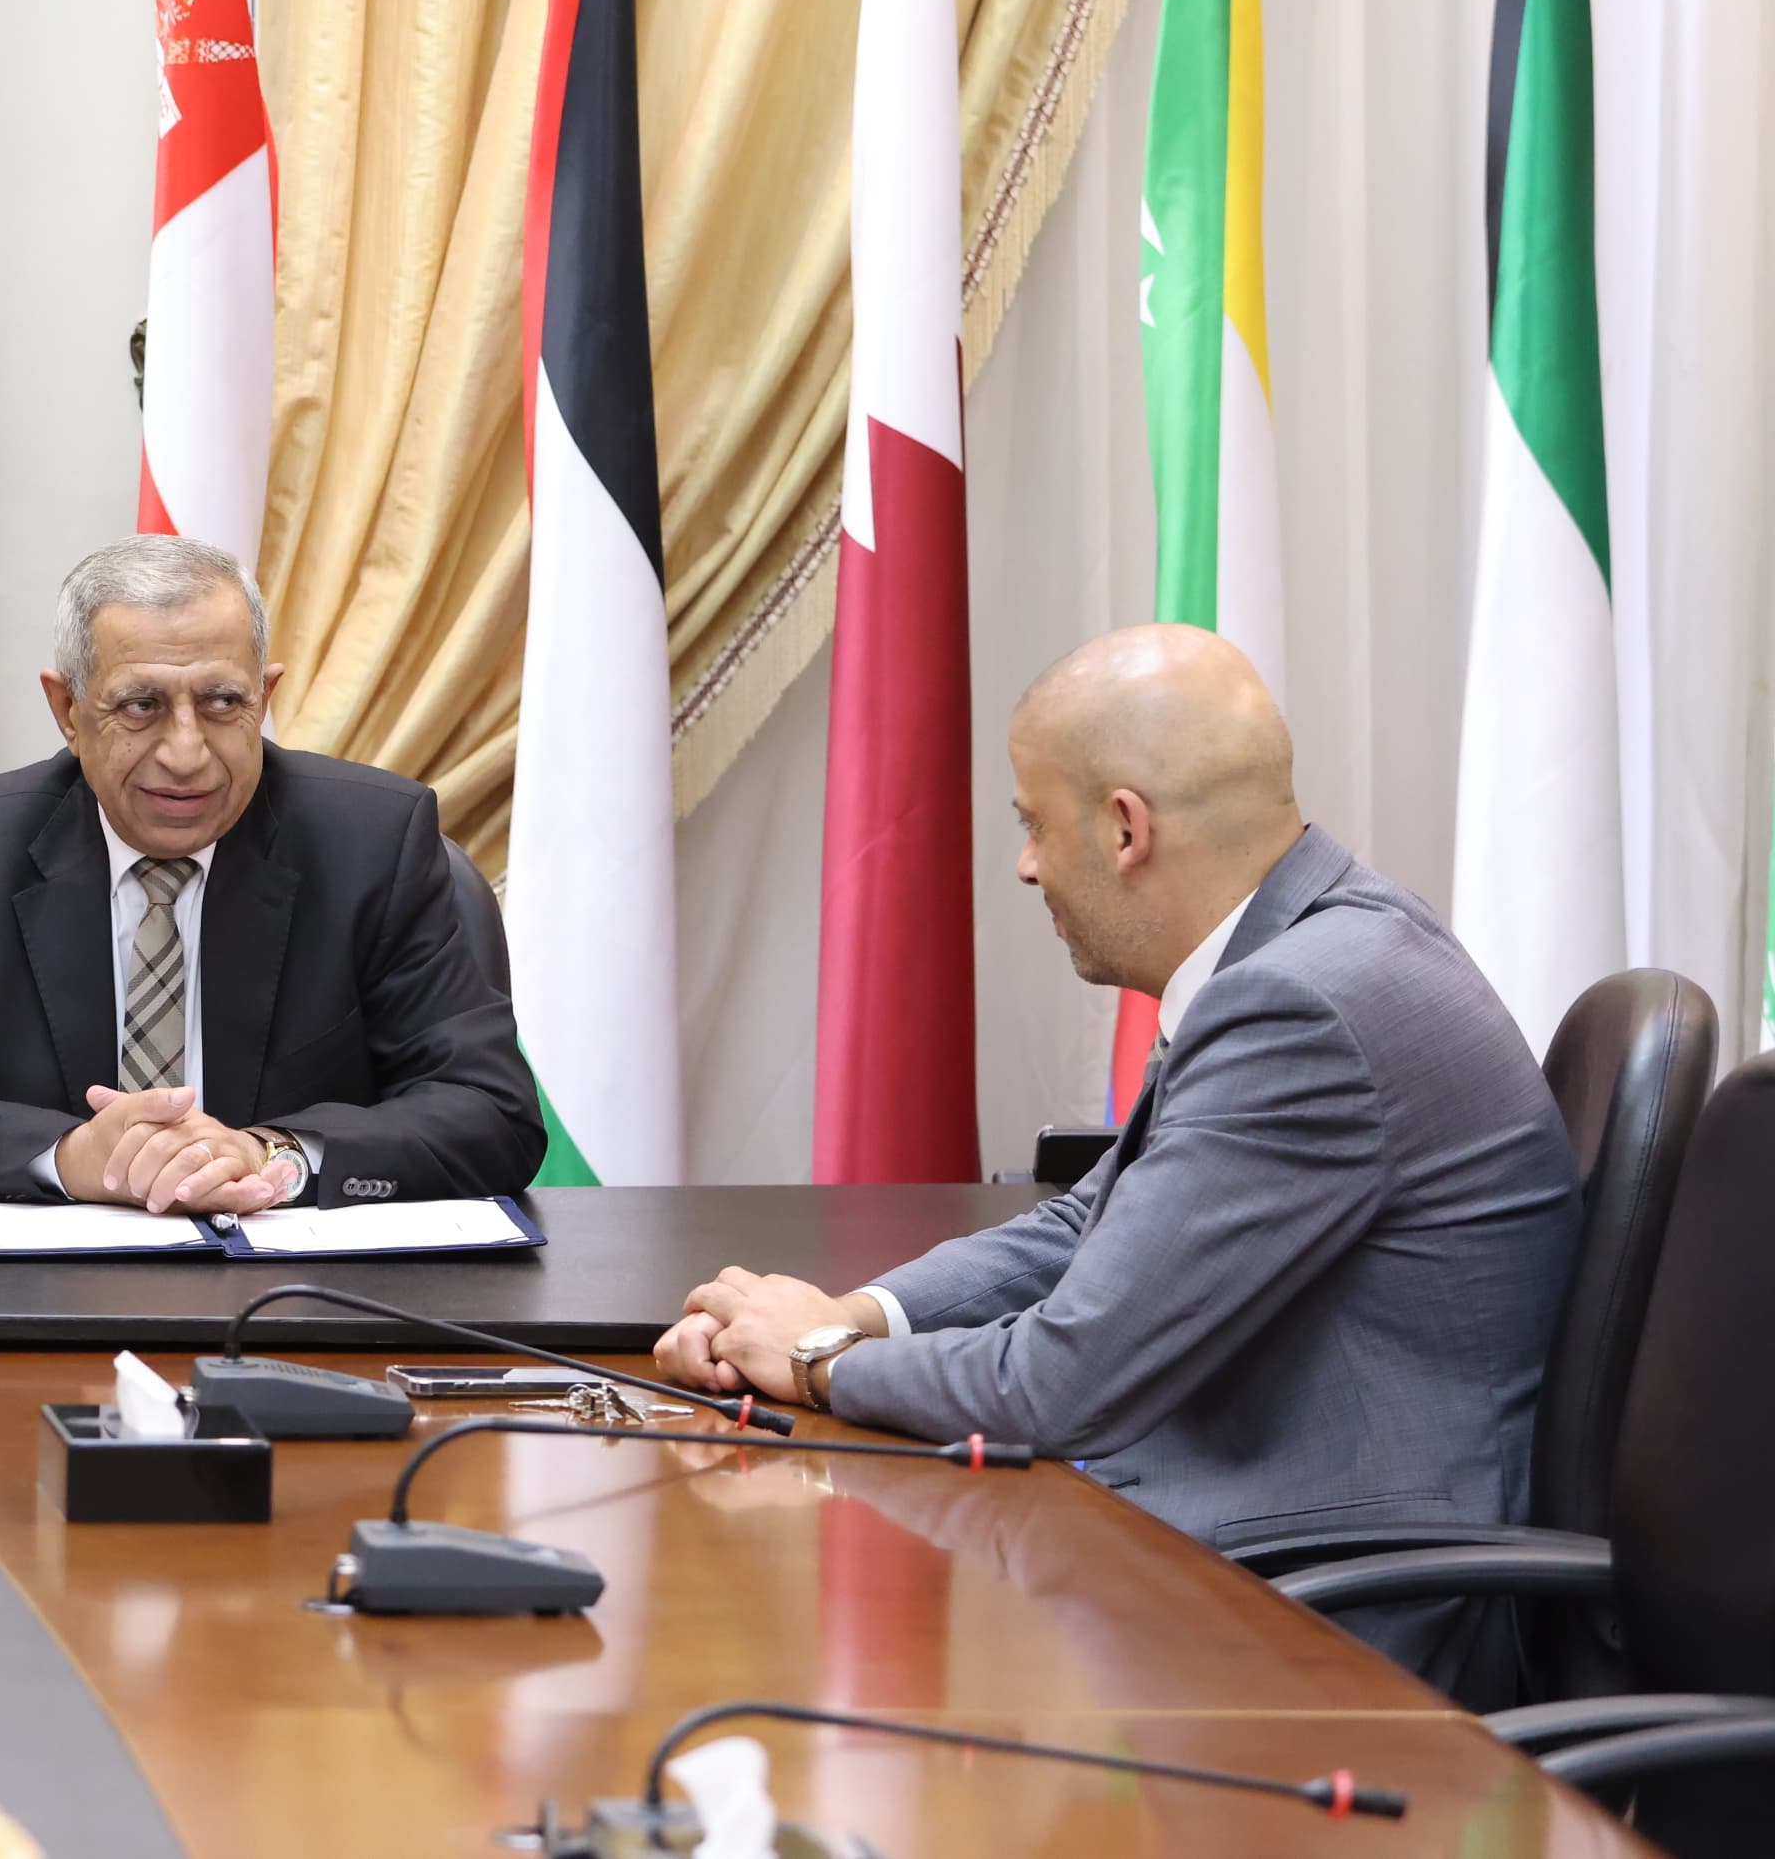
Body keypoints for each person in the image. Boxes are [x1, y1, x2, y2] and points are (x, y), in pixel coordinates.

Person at [651, 625, 1576, 1677]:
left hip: (1341, 1630)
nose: (1025, 864)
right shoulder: (1310, 946)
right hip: (1252, 1550)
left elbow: (1060, 1381)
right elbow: (1084, 1221)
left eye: (1033, 823)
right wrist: (853, 1316)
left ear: (1125, 827)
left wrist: (816, 1363)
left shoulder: (1302, 1005)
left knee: (844, 1652)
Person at [0, 535, 544, 1211]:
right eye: (142, 706)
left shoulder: (372, 845)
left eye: (223, 702)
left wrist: (274, 1155)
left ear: (265, 696)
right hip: (47, 1290)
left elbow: (491, 1112)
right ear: (68, 710)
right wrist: (72, 1157)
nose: (187, 754)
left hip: (302, 1282)